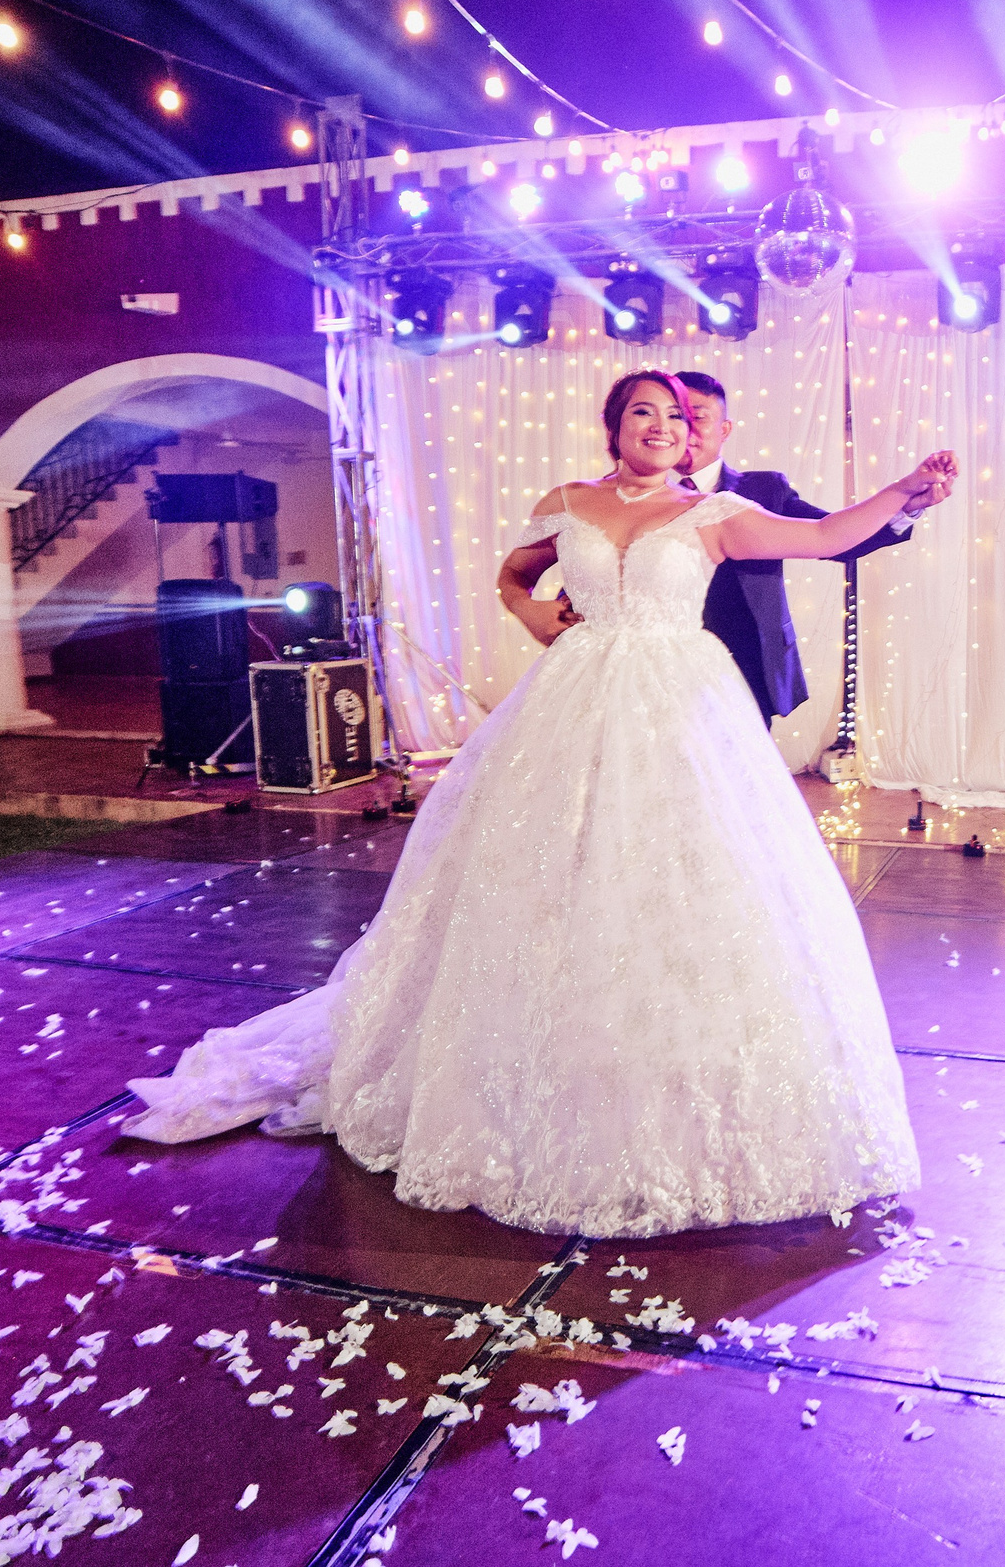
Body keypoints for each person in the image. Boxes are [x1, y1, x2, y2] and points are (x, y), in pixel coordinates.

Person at [125, 369, 956, 1240]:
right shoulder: (566, 502)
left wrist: (905, 490)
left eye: (676, 416)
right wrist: (527, 612)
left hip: (681, 703)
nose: (662, 426)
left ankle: (668, 1055)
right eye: (643, 412)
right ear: (614, 427)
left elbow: (825, 535)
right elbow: (514, 573)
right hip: (570, 697)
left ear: (691, 434)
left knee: (681, 871)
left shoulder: (713, 513)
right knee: (542, 864)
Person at [672, 369, 939, 724]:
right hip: (669, 663)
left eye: (698, 417)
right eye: (677, 417)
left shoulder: (764, 489)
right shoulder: (644, 499)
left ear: (724, 429)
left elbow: (835, 539)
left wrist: (905, 506)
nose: (685, 428)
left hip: (747, 662)